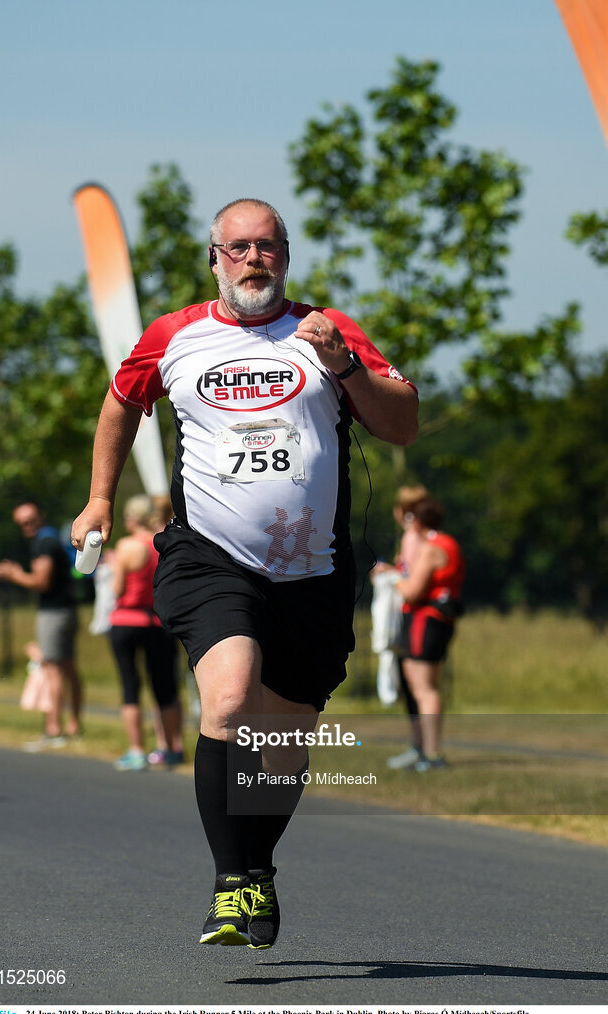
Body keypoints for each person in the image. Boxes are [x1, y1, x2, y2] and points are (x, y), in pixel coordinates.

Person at [71, 198, 418, 949]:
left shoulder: (328, 331)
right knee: (228, 699)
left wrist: (344, 365)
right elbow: (119, 405)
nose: (253, 259)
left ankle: (256, 871)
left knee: (287, 737)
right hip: (211, 558)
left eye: (267, 247)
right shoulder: (173, 336)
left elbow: (402, 425)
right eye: (238, 248)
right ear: (215, 258)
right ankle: (232, 884)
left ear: (285, 256)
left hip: (314, 569)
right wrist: (100, 497)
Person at [0, 500, 83, 750]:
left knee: (52, 670)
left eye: (30, 520)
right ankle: (73, 725)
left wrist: (13, 574)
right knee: (68, 668)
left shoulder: (44, 543)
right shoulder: (51, 540)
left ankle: (54, 729)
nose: (27, 526)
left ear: (40, 516)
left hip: (53, 613)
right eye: (22, 523)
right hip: (67, 610)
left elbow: (41, 581)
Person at [109, 493, 184, 771]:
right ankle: (173, 746)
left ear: (131, 518)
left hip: (127, 619)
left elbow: (117, 589)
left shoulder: (127, 546)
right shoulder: (162, 543)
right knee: (165, 687)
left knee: (131, 686)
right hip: (157, 621)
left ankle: (137, 749)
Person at [391, 497, 465, 772]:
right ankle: (422, 749)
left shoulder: (432, 548)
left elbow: (412, 590)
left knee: (425, 689)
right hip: (436, 620)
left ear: (417, 521)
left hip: (427, 620)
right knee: (419, 687)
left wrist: (392, 578)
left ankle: (432, 753)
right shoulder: (448, 542)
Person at [371, 484, 429, 768]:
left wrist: (389, 573)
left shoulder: (412, 537)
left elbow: (412, 576)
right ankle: (419, 745)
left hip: (411, 616)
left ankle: (421, 746)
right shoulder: (421, 536)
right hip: (413, 616)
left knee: (414, 685)